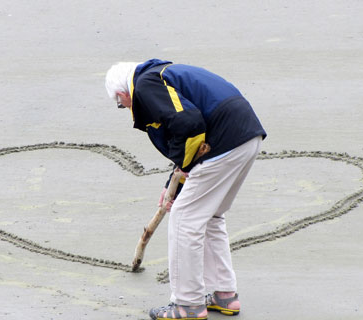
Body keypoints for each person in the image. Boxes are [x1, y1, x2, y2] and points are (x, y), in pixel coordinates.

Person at [105, 59, 266, 320]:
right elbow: (189, 134)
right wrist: (174, 182)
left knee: (184, 218)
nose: (124, 107)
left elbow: (189, 123)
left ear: (122, 94)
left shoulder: (145, 85)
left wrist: (181, 172)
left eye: (120, 104)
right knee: (210, 215)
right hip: (247, 137)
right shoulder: (161, 74)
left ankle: (187, 304)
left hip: (224, 142)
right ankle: (224, 294)